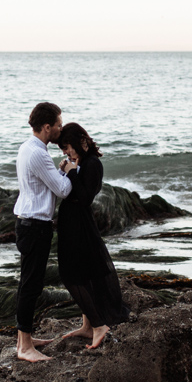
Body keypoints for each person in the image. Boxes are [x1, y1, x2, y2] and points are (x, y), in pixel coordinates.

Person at [54, 123, 130, 348]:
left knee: (71, 275)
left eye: (66, 147)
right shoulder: (80, 163)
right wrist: (64, 171)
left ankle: (99, 326)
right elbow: (70, 190)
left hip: (80, 224)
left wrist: (72, 172)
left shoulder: (93, 164)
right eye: (62, 149)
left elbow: (86, 197)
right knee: (82, 272)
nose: (65, 152)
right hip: (71, 222)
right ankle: (88, 325)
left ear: (80, 142)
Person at [12, 102, 75, 362]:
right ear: (47, 127)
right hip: (35, 225)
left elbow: (45, 183)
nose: (61, 128)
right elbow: (63, 190)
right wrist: (70, 170)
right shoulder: (39, 154)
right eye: (59, 124)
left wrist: (59, 171)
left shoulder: (28, 148)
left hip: (28, 223)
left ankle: (23, 339)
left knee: (28, 283)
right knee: (31, 286)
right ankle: (25, 347)